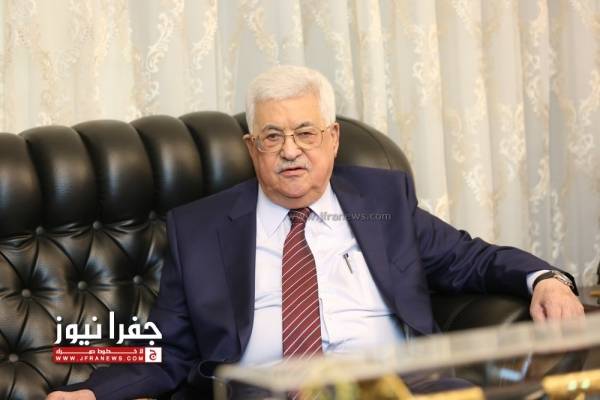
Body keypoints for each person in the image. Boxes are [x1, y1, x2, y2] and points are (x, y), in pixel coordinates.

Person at [47, 65, 584, 400]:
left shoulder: (382, 203)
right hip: (270, 393)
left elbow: (472, 260)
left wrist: (546, 280)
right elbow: (168, 349)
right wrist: (93, 393)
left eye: (305, 132)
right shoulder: (200, 229)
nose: (290, 151)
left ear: (332, 138)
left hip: (399, 388)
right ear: (251, 147)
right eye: (272, 136)